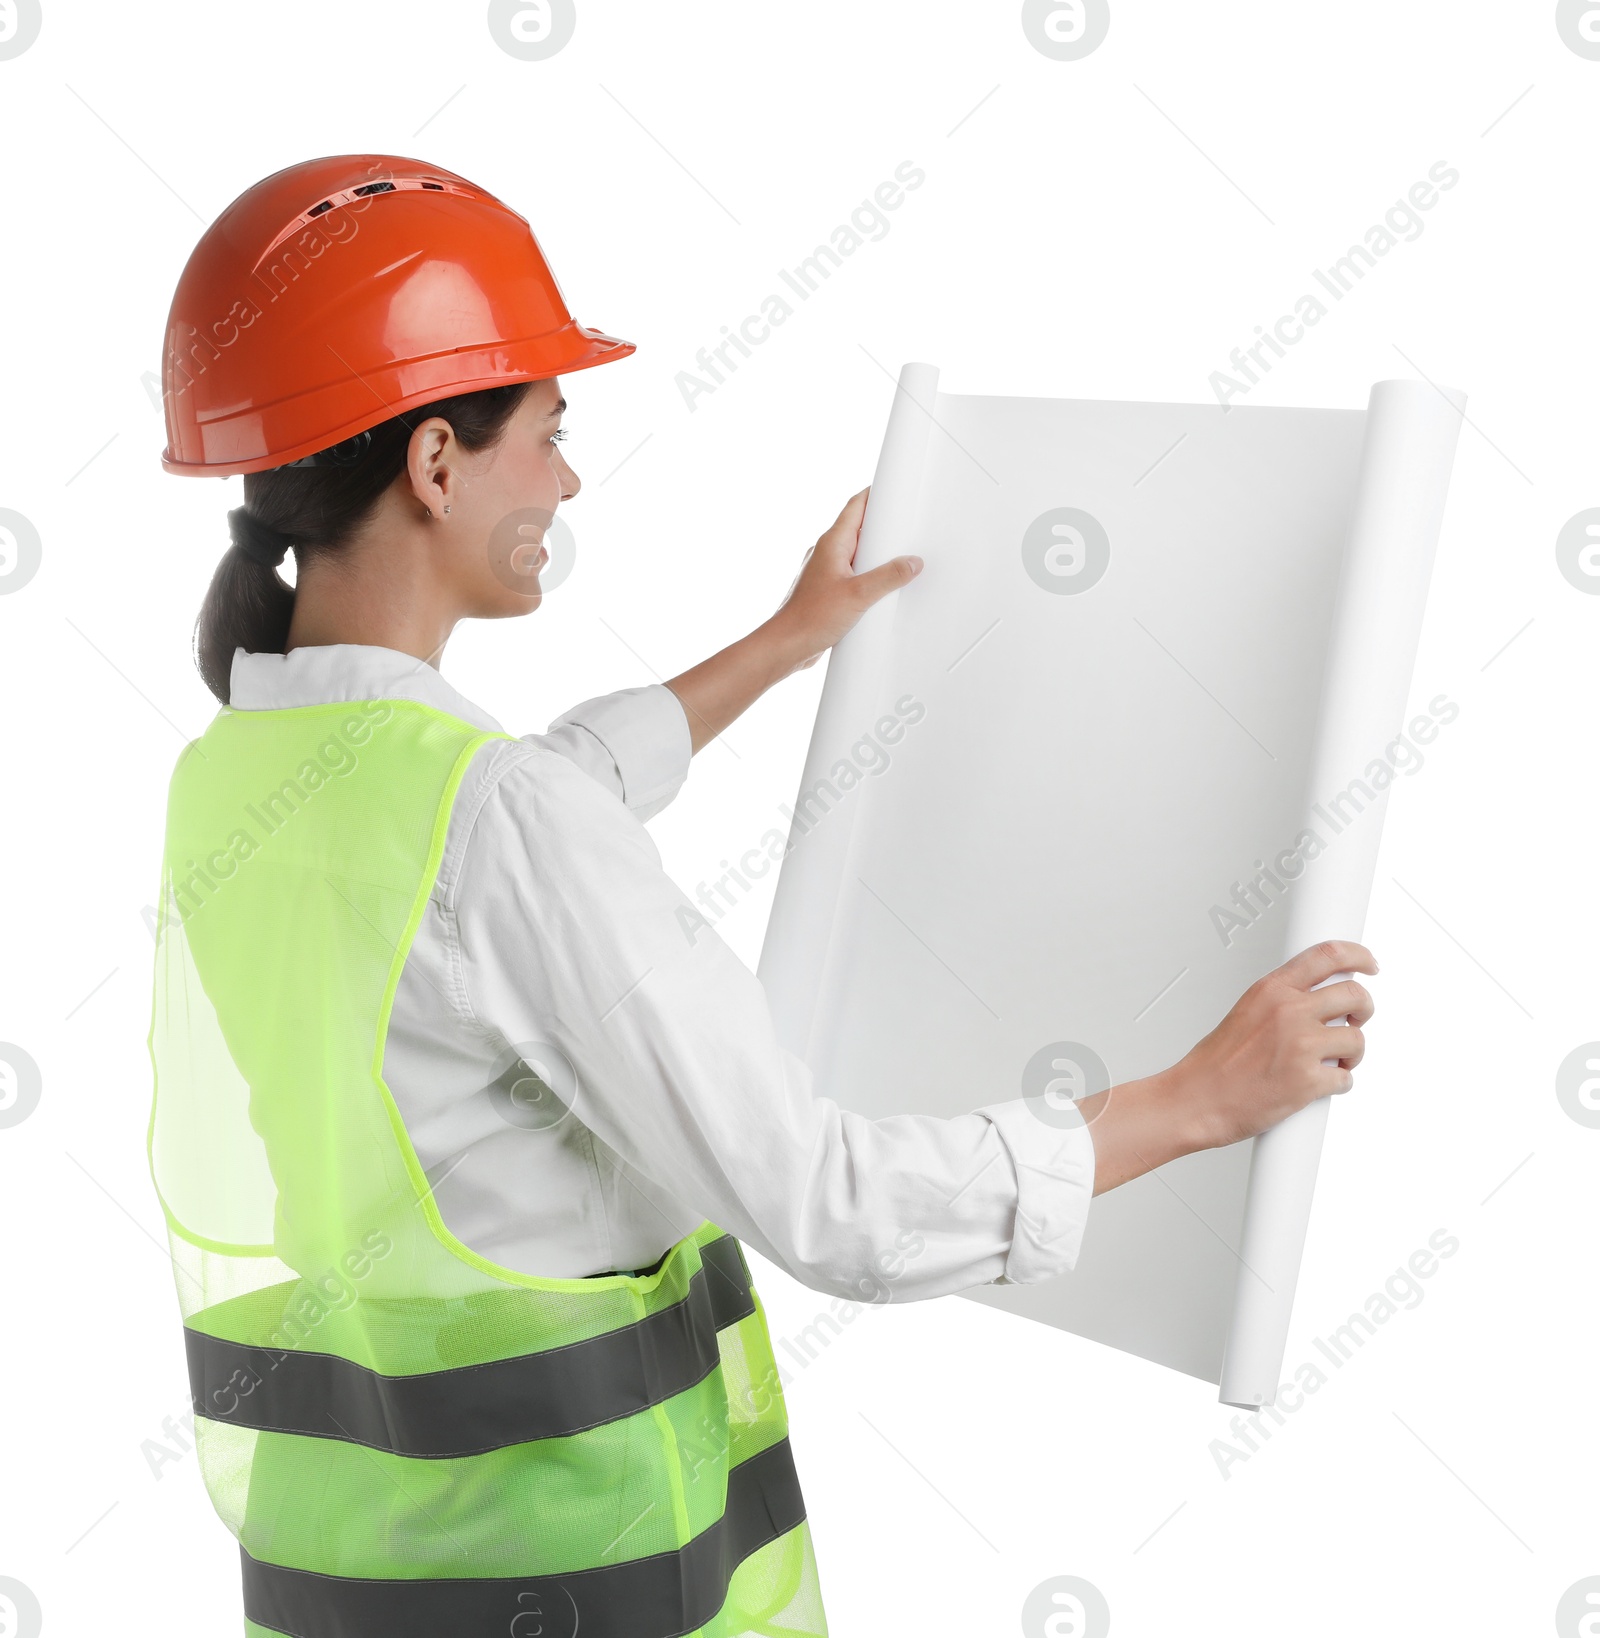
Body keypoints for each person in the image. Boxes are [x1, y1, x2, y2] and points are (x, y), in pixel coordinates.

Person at [148, 154, 1376, 1638]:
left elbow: (534, 807)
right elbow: (830, 1202)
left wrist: (793, 638)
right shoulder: (496, 824)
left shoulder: (244, 776)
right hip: (572, 1566)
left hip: (342, 1555)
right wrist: (1198, 1098)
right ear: (433, 463)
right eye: (547, 431)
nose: (566, 478)